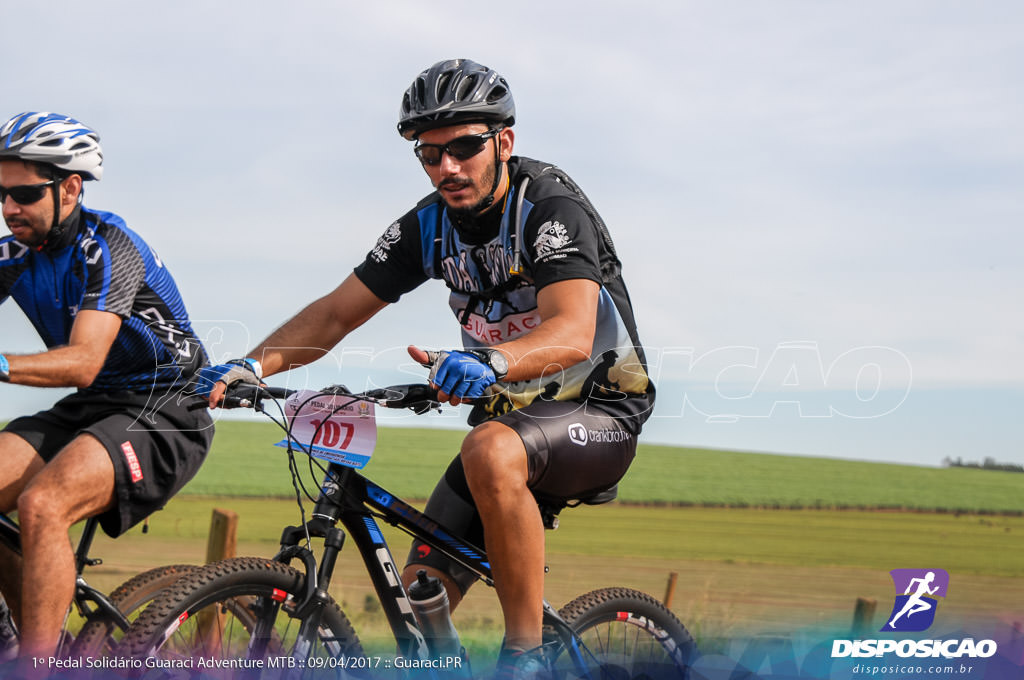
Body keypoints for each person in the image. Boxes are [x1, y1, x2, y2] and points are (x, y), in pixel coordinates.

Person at [200, 58, 654, 679]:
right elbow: (336, 314)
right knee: (418, 601)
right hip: (514, 419)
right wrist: (251, 365)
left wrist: (489, 361)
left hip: (600, 410)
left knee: (489, 449)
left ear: (505, 143)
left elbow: (573, 331)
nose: (447, 167)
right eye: (429, 153)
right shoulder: (428, 225)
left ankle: (524, 656)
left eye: (465, 147)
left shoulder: (547, 206)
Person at [0, 112, 214, 660]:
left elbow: (81, 362)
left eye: (23, 194)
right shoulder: (14, 255)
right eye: (0, 194)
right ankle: (31, 643)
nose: (8, 209)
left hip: (166, 406)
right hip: (96, 405)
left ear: (70, 189)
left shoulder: (109, 246)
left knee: (43, 503)